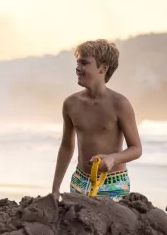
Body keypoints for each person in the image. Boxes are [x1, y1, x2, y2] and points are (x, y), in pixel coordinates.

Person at [50, 39, 142, 206]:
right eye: (77, 62)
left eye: (84, 63)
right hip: (80, 180)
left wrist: (112, 159)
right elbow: (66, 146)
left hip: (114, 183)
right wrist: (55, 189)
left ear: (103, 68)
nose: (78, 68)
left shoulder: (119, 104)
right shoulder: (71, 103)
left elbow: (136, 149)